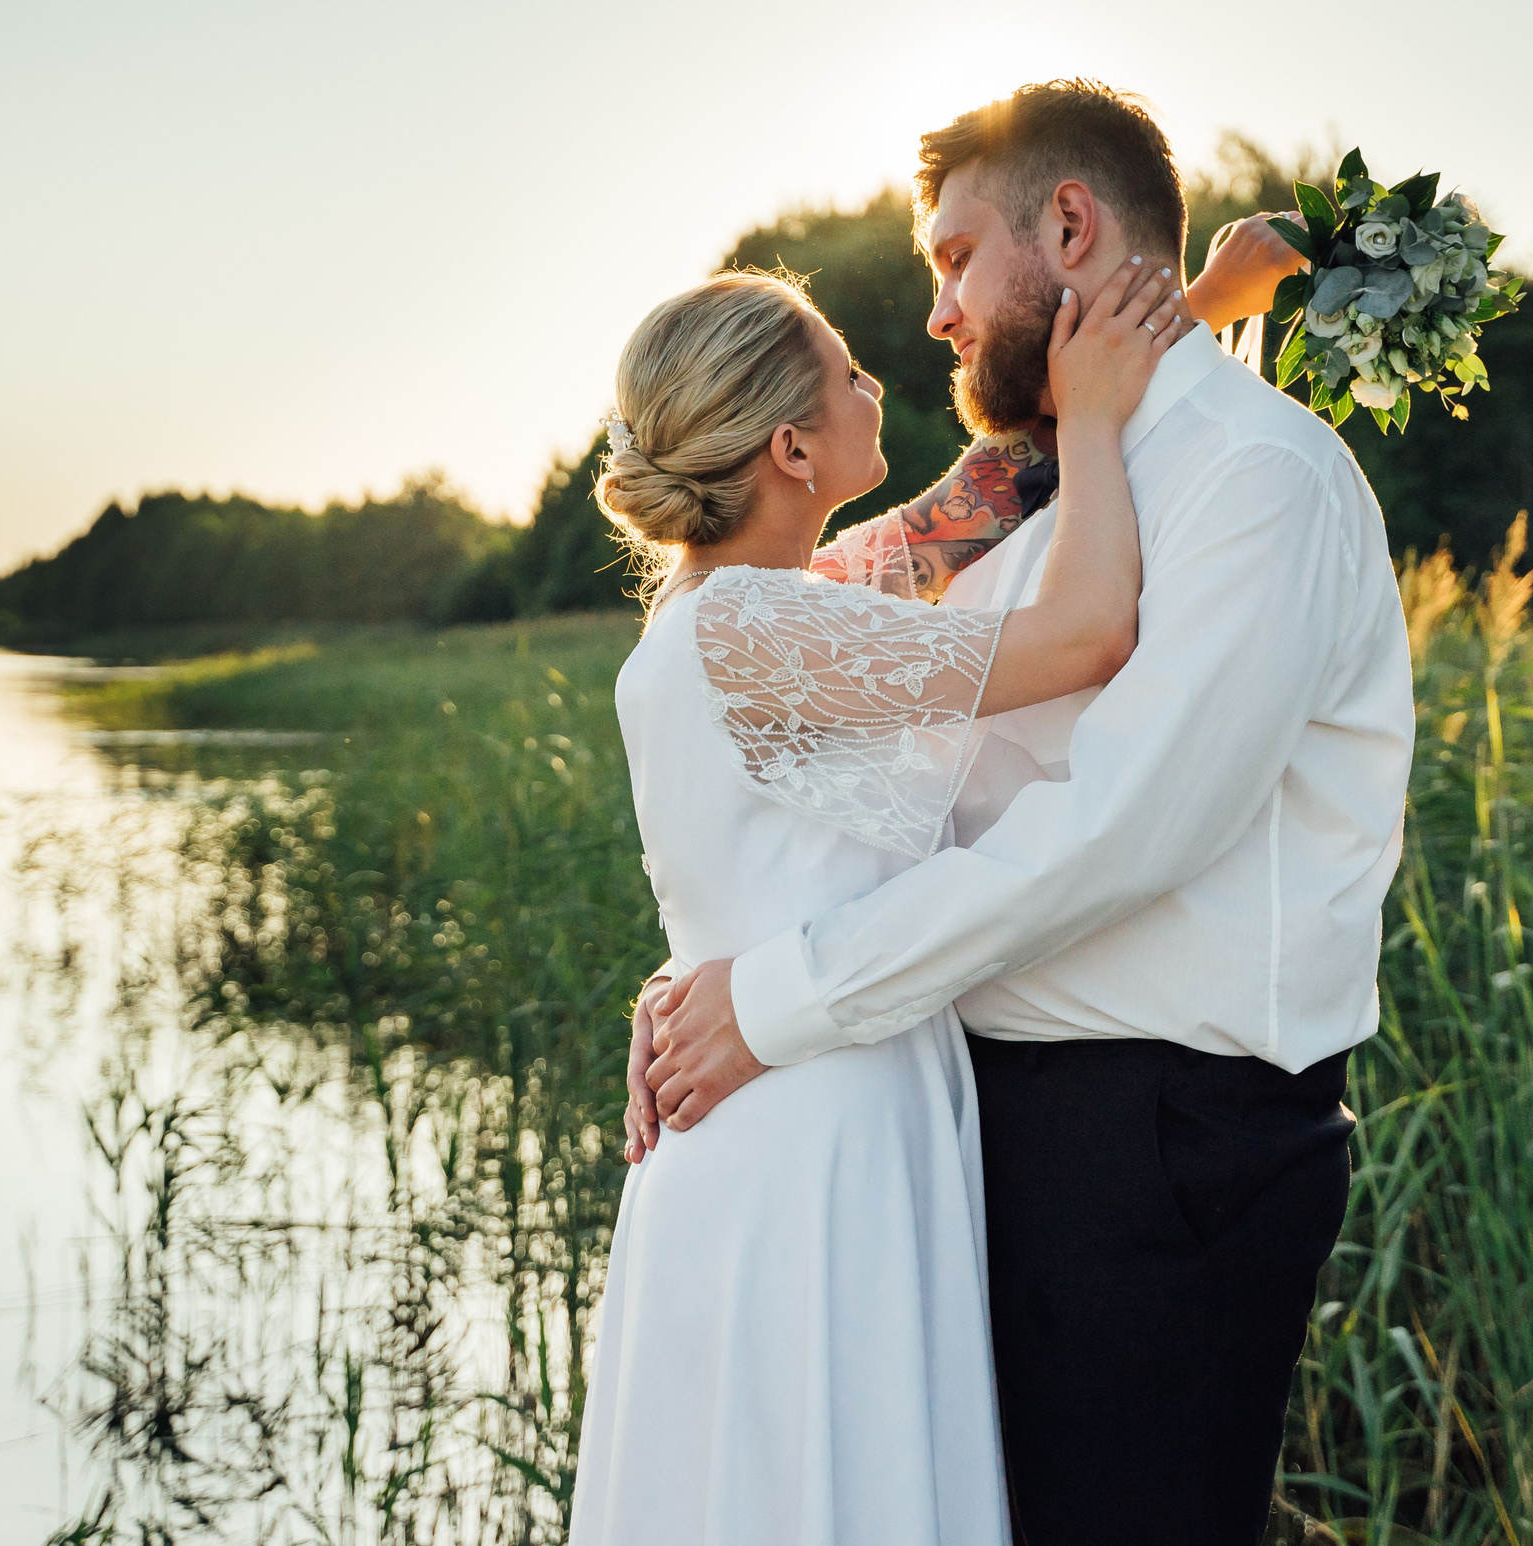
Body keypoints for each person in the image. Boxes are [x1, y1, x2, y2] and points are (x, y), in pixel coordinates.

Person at [635, 80, 1415, 1545]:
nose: (929, 318)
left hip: (1160, 1142)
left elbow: (1114, 831)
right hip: (958, 1118)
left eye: (947, 259)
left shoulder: (1257, 482)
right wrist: (705, 978)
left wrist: (766, 993)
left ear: (1068, 224)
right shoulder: (1048, 497)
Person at [568, 258, 1195, 1546]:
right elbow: (1087, 635)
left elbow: (977, 500)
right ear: (792, 446)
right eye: (850, 370)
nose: (878, 381)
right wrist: (1086, 416)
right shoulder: (755, 626)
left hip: (786, 1092)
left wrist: (1180, 320)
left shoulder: (758, 609)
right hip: (809, 1125)